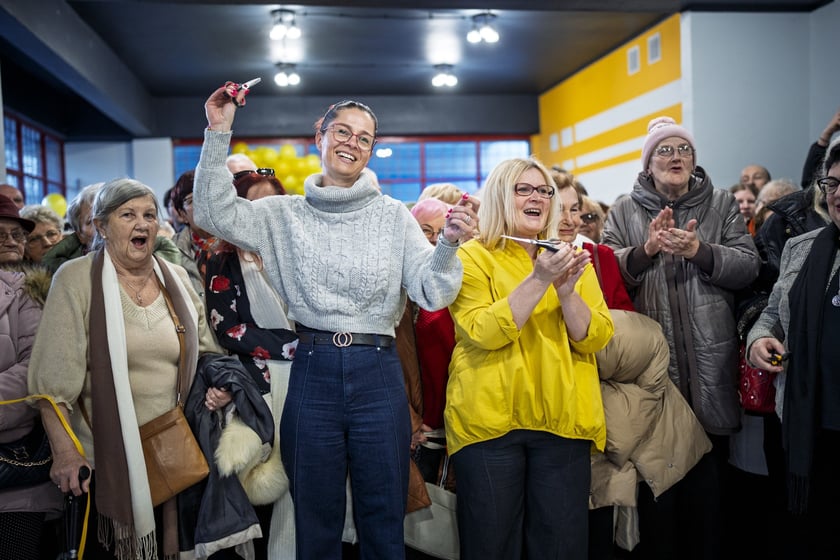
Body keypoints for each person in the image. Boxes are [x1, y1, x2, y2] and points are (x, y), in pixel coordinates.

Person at [193, 85, 477, 559]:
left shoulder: (392, 217)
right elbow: (212, 210)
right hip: (314, 369)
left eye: (364, 138)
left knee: (383, 522)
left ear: (370, 150)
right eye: (342, 131)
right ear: (319, 136)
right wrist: (218, 129)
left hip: (377, 372)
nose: (352, 143)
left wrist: (447, 243)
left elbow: (432, 290)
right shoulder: (282, 215)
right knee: (315, 520)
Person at [28, 178, 223, 560]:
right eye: (128, 215)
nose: (143, 224)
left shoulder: (176, 278)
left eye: (149, 215)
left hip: (173, 454)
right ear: (100, 226)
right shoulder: (76, 279)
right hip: (105, 459)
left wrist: (221, 384)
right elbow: (51, 384)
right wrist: (66, 454)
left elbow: (206, 351)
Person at [602, 116, 760, 559]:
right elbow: (608, 277)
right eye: (664, 151)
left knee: (710, 500)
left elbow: (749, 266)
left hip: (713, 367)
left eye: (683, 150)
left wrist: (699, 251)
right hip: (654, 378)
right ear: (648, 164)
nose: (675, 158)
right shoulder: (623, 212)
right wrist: (645, 251)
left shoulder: (722, 203)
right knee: (660, 498)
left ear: (694, 160)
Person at [444, 157, 613, 560]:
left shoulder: (569, 256)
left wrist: (567, 292)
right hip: (489, 427)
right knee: (491, 546)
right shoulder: (472, 256)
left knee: (560, 547)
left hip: (563, 423)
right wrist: (540, 280)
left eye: (544, 191)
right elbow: (483, 331)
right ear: (502, 196)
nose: (537, 197)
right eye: (525, 189)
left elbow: (596, 338)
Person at [746, 136, 840, 558]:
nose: (838, 195)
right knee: (810, 532)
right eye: (833, 184)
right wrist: (759, 340)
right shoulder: (802, 248)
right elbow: (773, 315)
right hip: (808, 422)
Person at [203, 168, 298, 559]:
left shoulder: (296, 255)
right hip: (255, 389)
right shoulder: (221, 259)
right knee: (254, 482)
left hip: (305, 383)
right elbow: (228, 329)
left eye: (271, 204)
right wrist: (297, 345)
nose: (263, 213)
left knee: (300, 485)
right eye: (252, 204)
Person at [42, 182, 181, 274]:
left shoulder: (166, 262)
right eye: (91, 222)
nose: (142, 224)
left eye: (149, 215)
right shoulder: (70, 275)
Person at [171, 169, 217, 299]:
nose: (202, 204)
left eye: (207, 197)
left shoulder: (238, 243)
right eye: (192, 200)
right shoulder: (170, 252)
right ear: (182, 214)